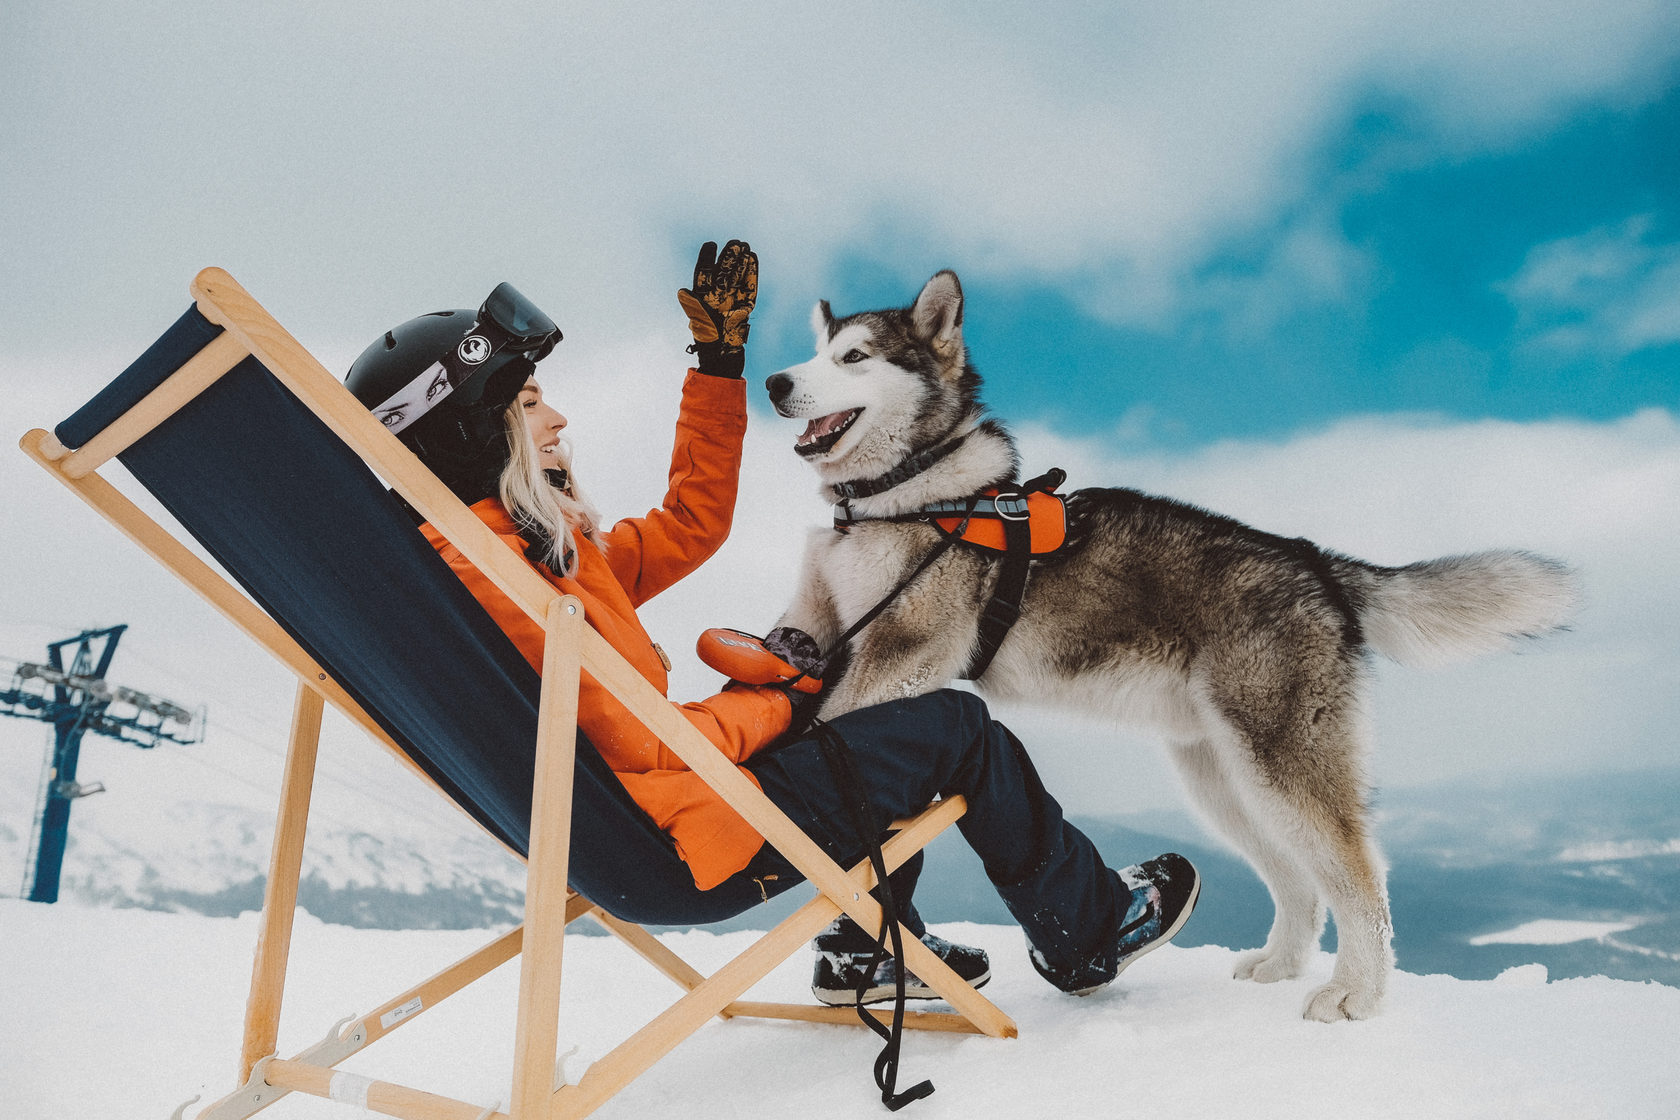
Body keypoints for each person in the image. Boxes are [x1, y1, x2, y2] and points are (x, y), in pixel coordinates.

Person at [344, 241, 1200, 1021]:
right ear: (464, 428)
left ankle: (867, 947)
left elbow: (688, 525)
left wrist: (716, 367)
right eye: (529, 401)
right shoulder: (502, 579)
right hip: (685, 839)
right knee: (953, 726)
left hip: (651, 823)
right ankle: (1086, 929)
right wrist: (777, 703)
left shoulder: (513, 549)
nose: (557, 418)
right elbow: (645, 744)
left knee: (853, 691)